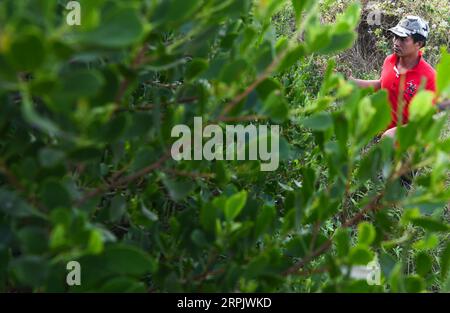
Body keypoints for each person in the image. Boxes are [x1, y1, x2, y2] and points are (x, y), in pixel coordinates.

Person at [349, 15, 436, 139]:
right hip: (381, 131)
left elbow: (427, 120)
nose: (396, 42)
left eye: (403, 39)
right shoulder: (389, 61)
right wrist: (351, 82)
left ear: (419, 43)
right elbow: (382, 84)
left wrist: (393, 133)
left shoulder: (429, 78)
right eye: (395, 37)